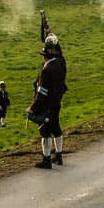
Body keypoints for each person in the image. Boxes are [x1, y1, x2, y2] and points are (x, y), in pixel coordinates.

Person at [27, 33, 67, 167]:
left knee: (45, 132)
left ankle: (46, 159)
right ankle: (59, 155)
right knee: (56, 129)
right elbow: (60, 54)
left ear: (44, 56)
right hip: (57, 102)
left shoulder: (47, 70)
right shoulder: (60, 63)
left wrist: (33, 107)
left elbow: (42, 92)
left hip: (46, 105)